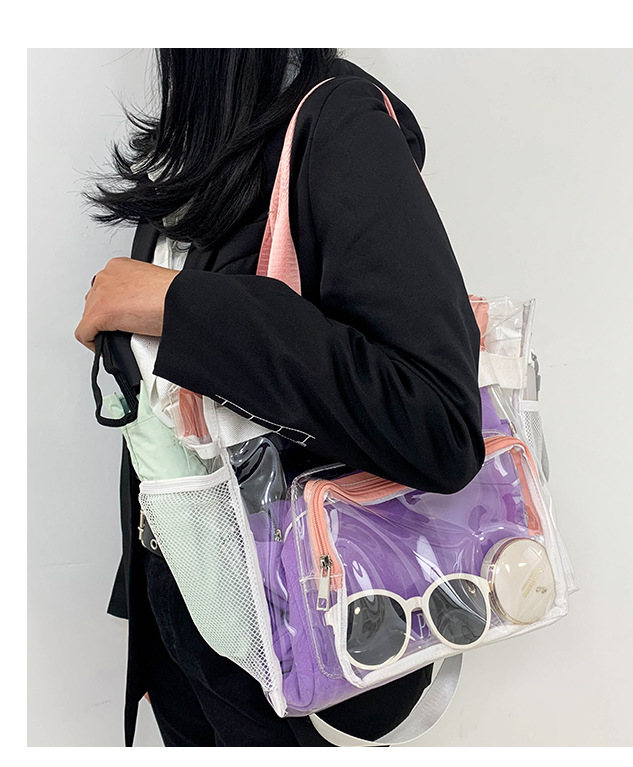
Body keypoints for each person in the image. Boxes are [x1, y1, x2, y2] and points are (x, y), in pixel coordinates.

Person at [75, 48, 485, 747]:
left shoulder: (339, 126)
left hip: (294, 638)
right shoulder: (201, 142)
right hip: (192, 615)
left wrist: (181, 308)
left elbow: (437, 424)